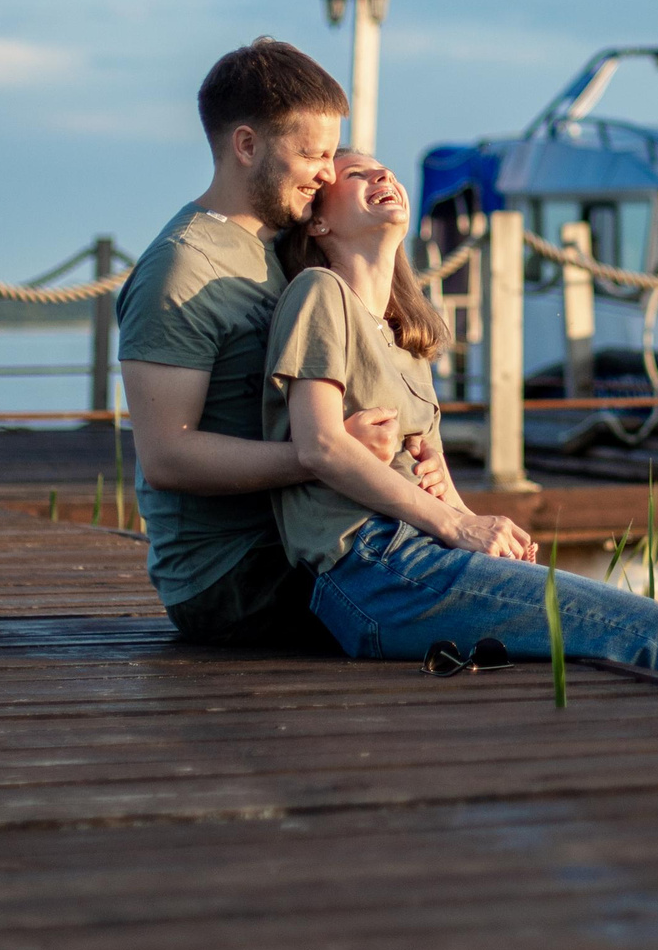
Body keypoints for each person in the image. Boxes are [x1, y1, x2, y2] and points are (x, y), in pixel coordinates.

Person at [264, 147, 658, 685]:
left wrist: (483, 531)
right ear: (320, 221)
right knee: (650, 629)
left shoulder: (404, 335)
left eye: (384, 168)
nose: (382, 175)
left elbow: (431, 479)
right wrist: (461, 525)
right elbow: (319, 444)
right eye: (356, 174)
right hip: (373, 569)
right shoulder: (320, 292)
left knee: (621, 640)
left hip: (414, 556)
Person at [119, 38, 440, 649]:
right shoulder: (182, 269)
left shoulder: (281, 251)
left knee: (506, 586)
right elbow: (166, 457)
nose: (327, 172)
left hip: (316, 540)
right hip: (236, 576)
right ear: (246, 145)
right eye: (313, 154)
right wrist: (326, 451)